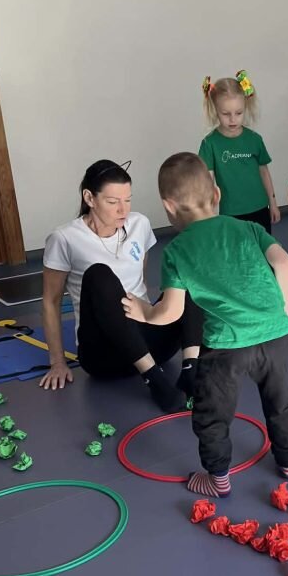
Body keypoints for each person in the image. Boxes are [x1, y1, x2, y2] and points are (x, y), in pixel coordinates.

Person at [122, 152, 288, 497]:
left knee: (211, 414)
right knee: (280, 401)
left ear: (168, 206)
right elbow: (285, 263)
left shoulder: (177, 251)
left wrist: (143, 312)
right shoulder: (249, 228)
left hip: (226, 347)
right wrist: (283, 310)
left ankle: (218, 480)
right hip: (275, 334)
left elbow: (171, 312)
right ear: (216, 193)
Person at [41, 159, 202, 411]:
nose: (122, 210)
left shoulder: (140, 224)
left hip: (151, 343)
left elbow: (141, 282)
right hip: (104, 354)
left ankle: (191, 371)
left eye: (127, 200)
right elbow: (51, 302)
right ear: (89, 198)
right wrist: (57, 363)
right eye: (113, 202)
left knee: (188, 274)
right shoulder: (64, 238)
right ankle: (155, 381)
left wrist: (150, 316)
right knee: (99, 274)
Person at [198, 72, 280, 232]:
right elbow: (207, 181)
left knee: (262, 245)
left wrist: (273, 202)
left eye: (238, 113)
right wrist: (207, 212)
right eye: (226, 114)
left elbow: (264, 172)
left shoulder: (254, 139)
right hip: (231, 212)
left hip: (260, 207)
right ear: (215, 110)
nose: (233, 119)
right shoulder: (209, 144)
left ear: (245, 108)